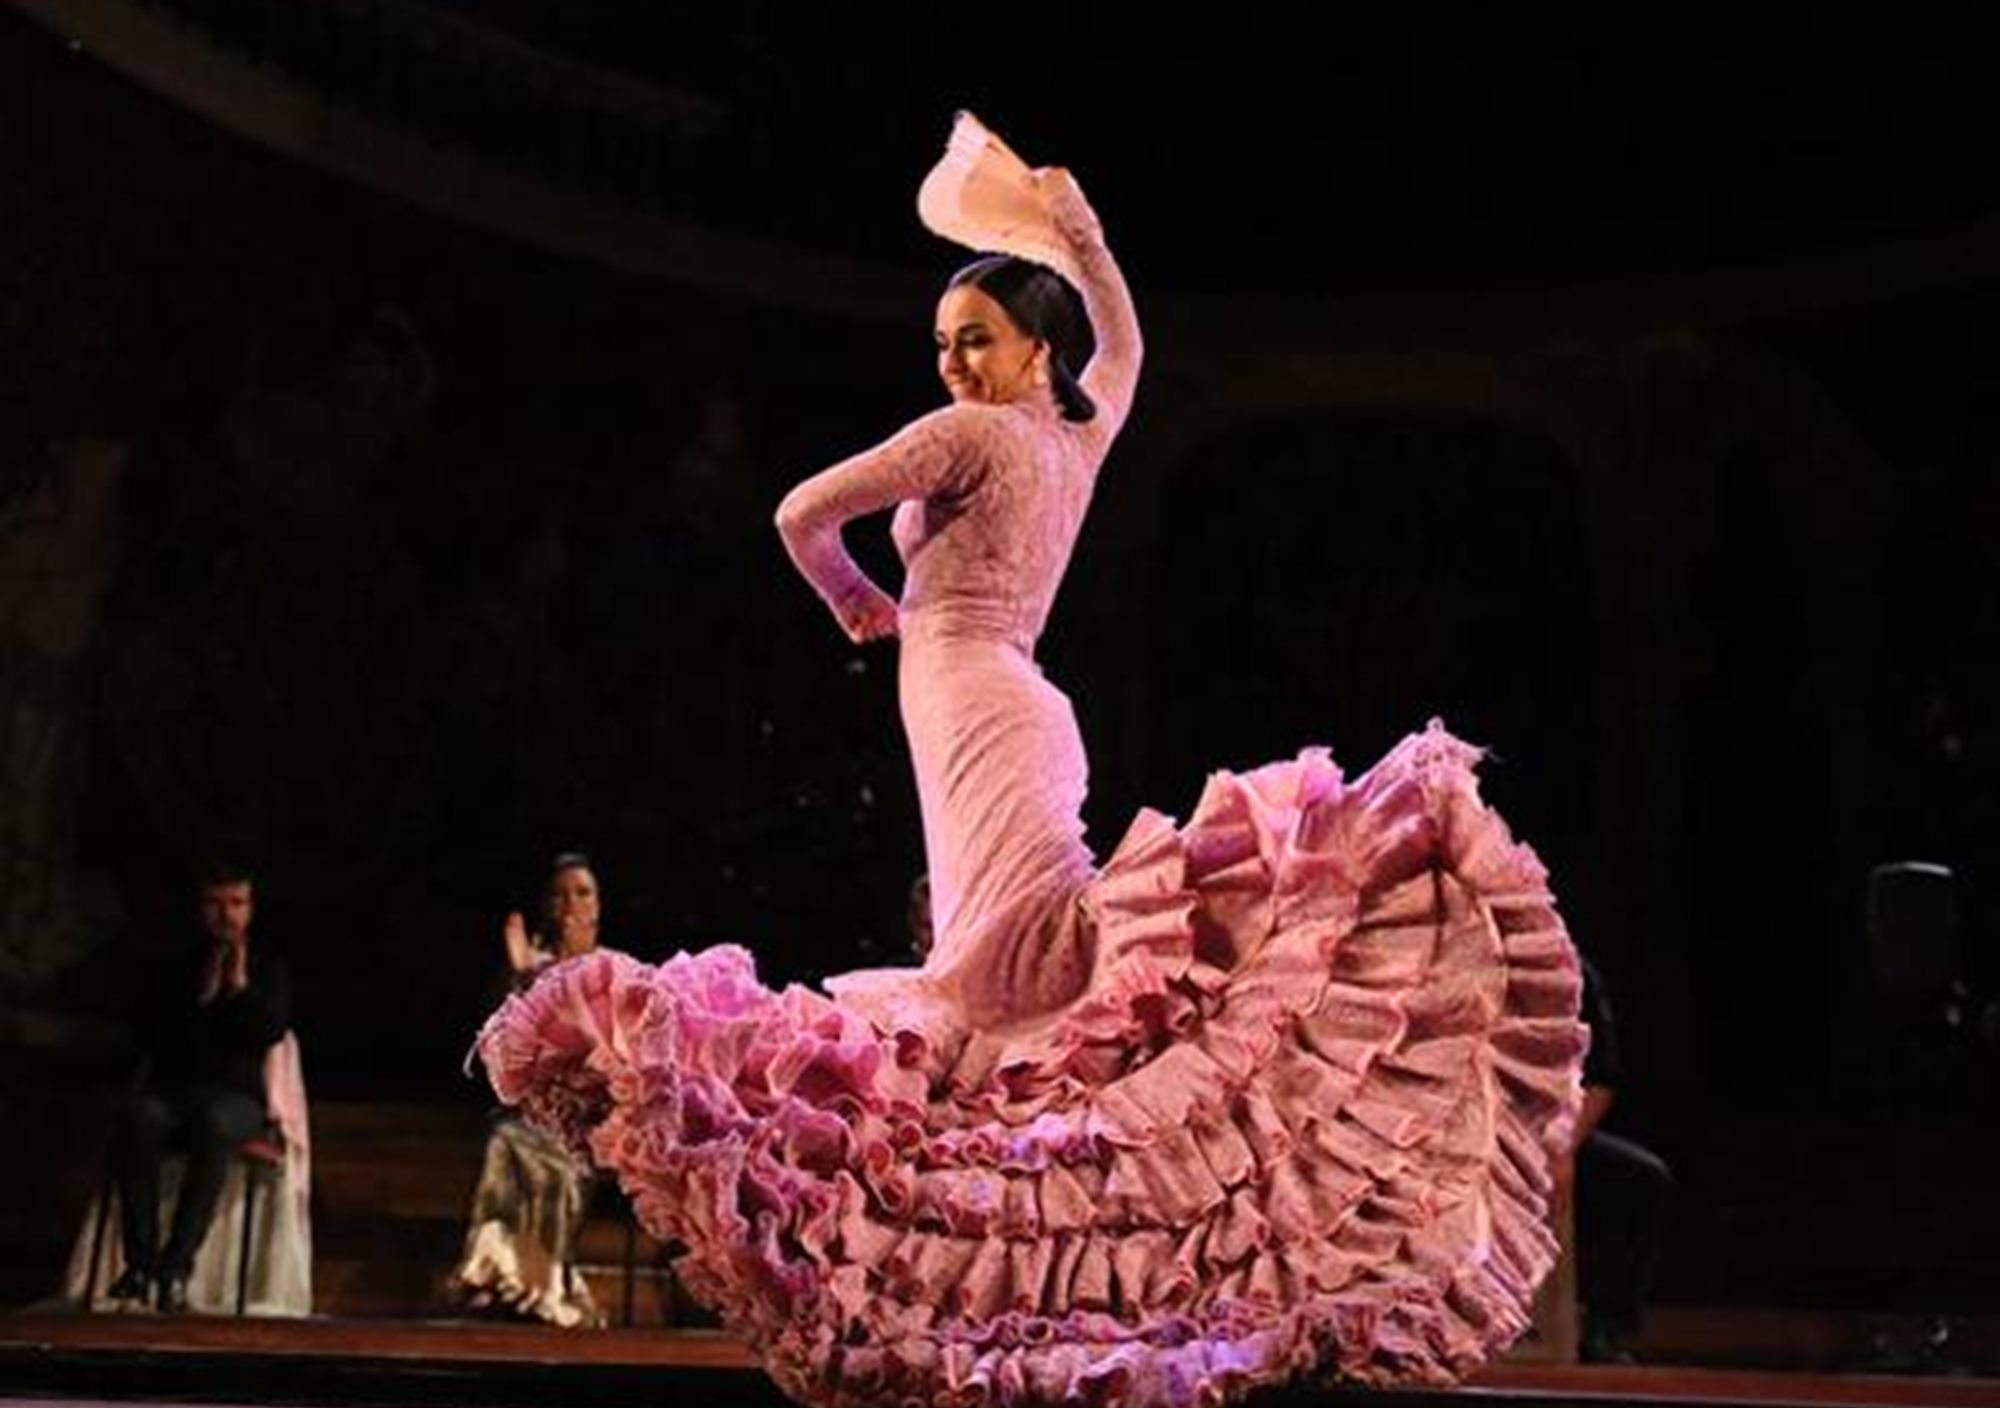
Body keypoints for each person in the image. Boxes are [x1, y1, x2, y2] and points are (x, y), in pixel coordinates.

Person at [479, 115, 1586, 1406]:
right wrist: (1086, 240)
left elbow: (796, 513)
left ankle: (1043, 1271)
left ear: (1029, 351)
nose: (952, 363)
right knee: (1015, 983)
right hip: (1014, 702)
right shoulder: (1074, 429)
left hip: (971, 698)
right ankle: (1077, 1263)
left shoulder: (980, 438)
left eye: (976, 341)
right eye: (942, 345)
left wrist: (847, 595)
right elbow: (1128, 346)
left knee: (1006, 987)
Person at [110, 864, 293, 1313]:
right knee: (139, 1118)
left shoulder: (269, 965)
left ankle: (176, 1266)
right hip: (176, 1089)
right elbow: (151, 1033)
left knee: (214, 1125)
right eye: (215, 903)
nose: (225, 915)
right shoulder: (175, 961)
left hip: (237, 1098)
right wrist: (200, 998)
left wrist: (239, 991)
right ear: (200, 908)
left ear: (250, 909)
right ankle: (140, 1264)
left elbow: (270, 1032)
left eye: (236, 903)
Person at [448, 853, 607, 1327]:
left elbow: (599, 1048)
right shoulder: (524, 966)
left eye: (582, 892)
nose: (569, 904)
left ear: (598, 905)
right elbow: (497, 1049)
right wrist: (520, 978)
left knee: (554, 1159)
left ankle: (542, 1287)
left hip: (590, 1119)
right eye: (559, 893)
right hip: (529, 1116)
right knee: (507, 1141)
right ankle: (501, 1278)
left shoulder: (610, 969)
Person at [1566, 957, 1673, 1363]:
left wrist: (1563, 1149)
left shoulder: (1573, 969)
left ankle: (1605, 1328)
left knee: (1641, 1180)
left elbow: (1601, 1078)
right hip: (1463, 1135)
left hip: (1546, 1136)